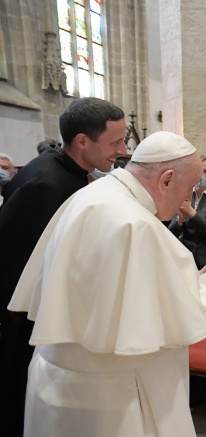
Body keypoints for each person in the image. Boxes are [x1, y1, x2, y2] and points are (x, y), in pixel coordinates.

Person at [7, 131, 206, 437]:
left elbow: (117, 292)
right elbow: (187, 315)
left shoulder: (92, 196)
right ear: (167, 180)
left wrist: (193, 279)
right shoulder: (136, 223)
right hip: (112, 398)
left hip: (58, 382)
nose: (189, 200)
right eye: (187, 190)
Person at [0, 97, 127, 437]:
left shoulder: (70, 173)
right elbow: (20, 267)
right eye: (115, 141)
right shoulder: (46, 183)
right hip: (24, 325)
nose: (123, 149)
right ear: (83, 140)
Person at [169, 155, 206, 269]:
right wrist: (180, 220)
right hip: (184, 257)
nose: (202, 175)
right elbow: (171, 233)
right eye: (198, 171)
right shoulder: (185, 193)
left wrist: (192, 213)